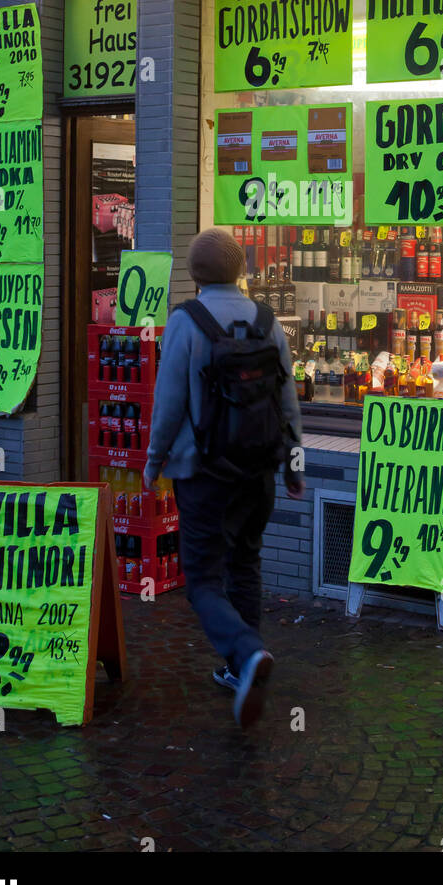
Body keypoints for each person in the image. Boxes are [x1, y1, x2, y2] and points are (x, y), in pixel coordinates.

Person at [143, 228, 304, 730]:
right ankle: (242, 668)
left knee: (204, 579)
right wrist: (294, 464)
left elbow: (168, 405)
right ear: (239, 271)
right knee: (246, 563)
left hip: (204, 471)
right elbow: (287, 399)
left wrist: (153, 463)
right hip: (258, 469)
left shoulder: (185, 322)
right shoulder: (266, 319)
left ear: (195, 273)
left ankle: (246, 651)